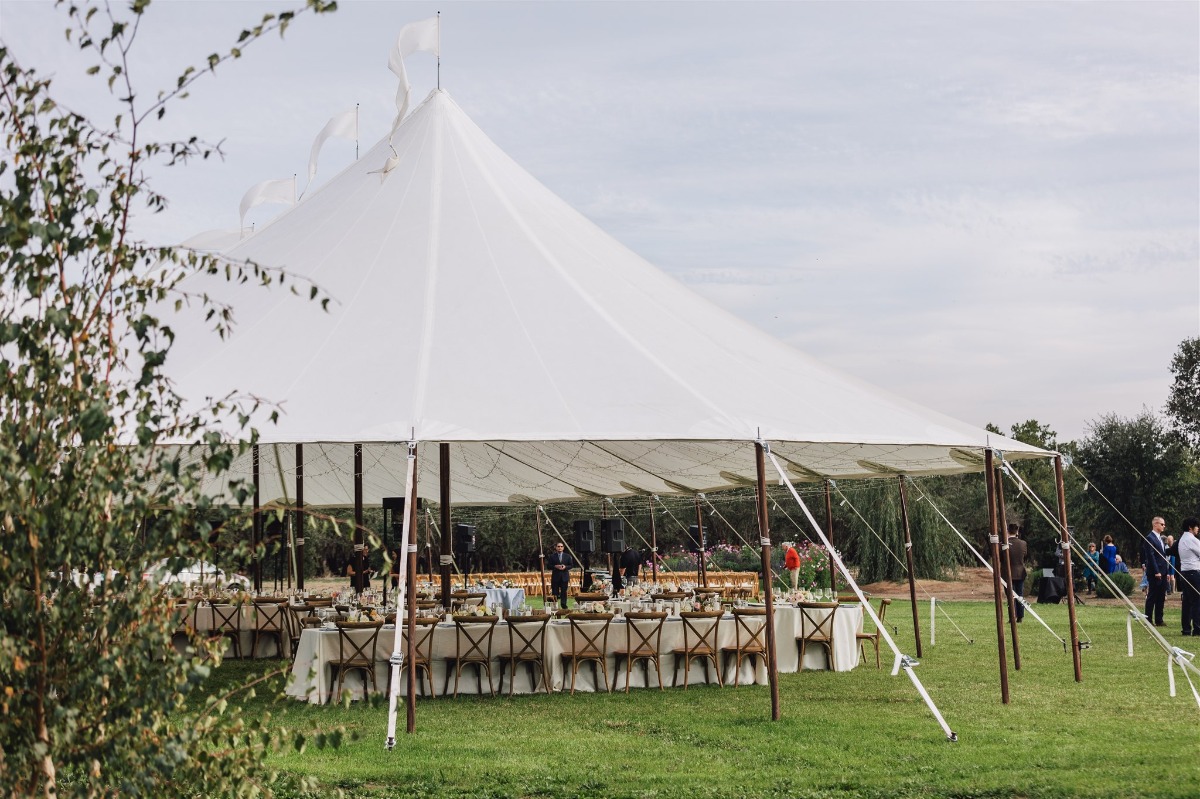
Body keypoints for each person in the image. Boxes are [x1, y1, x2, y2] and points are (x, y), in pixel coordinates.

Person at [1142, 516, 1170, 627]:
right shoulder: (1150, 538)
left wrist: (1165, 572)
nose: (1164, 526)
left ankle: (1159, 619)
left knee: (1161, 596)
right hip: (1155, 572)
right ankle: (1148, 619)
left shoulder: (1160, 538)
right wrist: (1156, 571)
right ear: (1155, 524)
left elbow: (1162, 555)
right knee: (1152, 596)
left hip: (1163, 571)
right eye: (1162, 524)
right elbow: (1151, 557)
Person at [1176, 518, 1200, 636]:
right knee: (1197, 600)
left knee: (1187, 601)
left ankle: (1186, 629)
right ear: (1190, 527)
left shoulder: (1182, 539)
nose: (1198, 528)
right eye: (1196, 526)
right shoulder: (1192, 539)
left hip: (1184, 572)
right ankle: (1197, 629)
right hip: (1193, 572)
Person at [1007, 524, 1028, 622]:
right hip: (1020, 572)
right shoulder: (1023, 543)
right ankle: (1020, 616)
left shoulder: (1004, 544)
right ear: (1017, 531)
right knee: (1020, 594)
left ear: (1008, 531)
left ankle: (1012, 616)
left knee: (1010, 595)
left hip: (1008, 573)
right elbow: (1025, 555)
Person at [547, 541, 574, 610]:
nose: (560, 548)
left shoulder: (567, 556)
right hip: (556, 576)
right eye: (558, 546)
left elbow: (571, 565)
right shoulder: (552, 556)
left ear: (563, 548)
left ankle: (563, 605)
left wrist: (565, 567)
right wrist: (555, 566)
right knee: (555, 591)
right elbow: (548, 566)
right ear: (556, 548)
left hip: (564, 576)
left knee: (564, 592)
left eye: (561, 546)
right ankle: (555, 605)